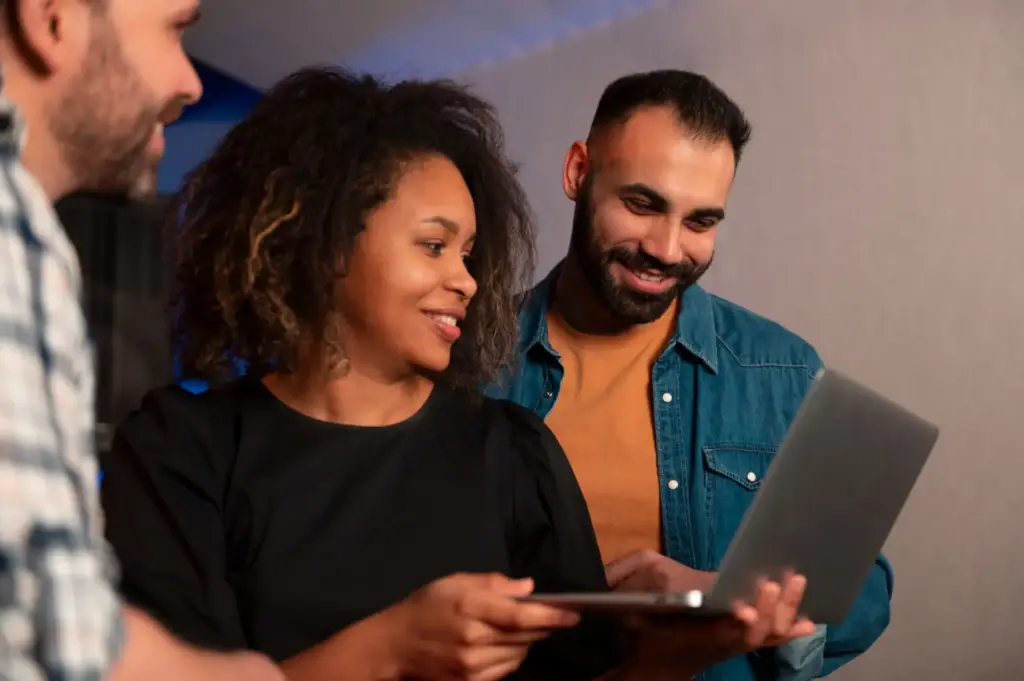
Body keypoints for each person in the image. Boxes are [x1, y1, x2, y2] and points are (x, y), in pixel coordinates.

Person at [99, 66, 817, 681]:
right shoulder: (181, 449)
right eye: (435, 245)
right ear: (322, 242)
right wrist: (389, 646)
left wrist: (686, 653)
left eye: (470, 253)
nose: (468, 282)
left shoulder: (514, 451)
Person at [486, 69, 894, 681]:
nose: (668, 249)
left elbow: (862, 596)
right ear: (578, 173)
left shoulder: (781, 369)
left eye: (701, 222)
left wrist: (714, 597)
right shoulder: (472, 362)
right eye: (642, 204)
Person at [0, 0, 284, 679]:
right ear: (53, 18)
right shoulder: (13, 232)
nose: (190, 81)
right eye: (176, 28)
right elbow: (58, 644)